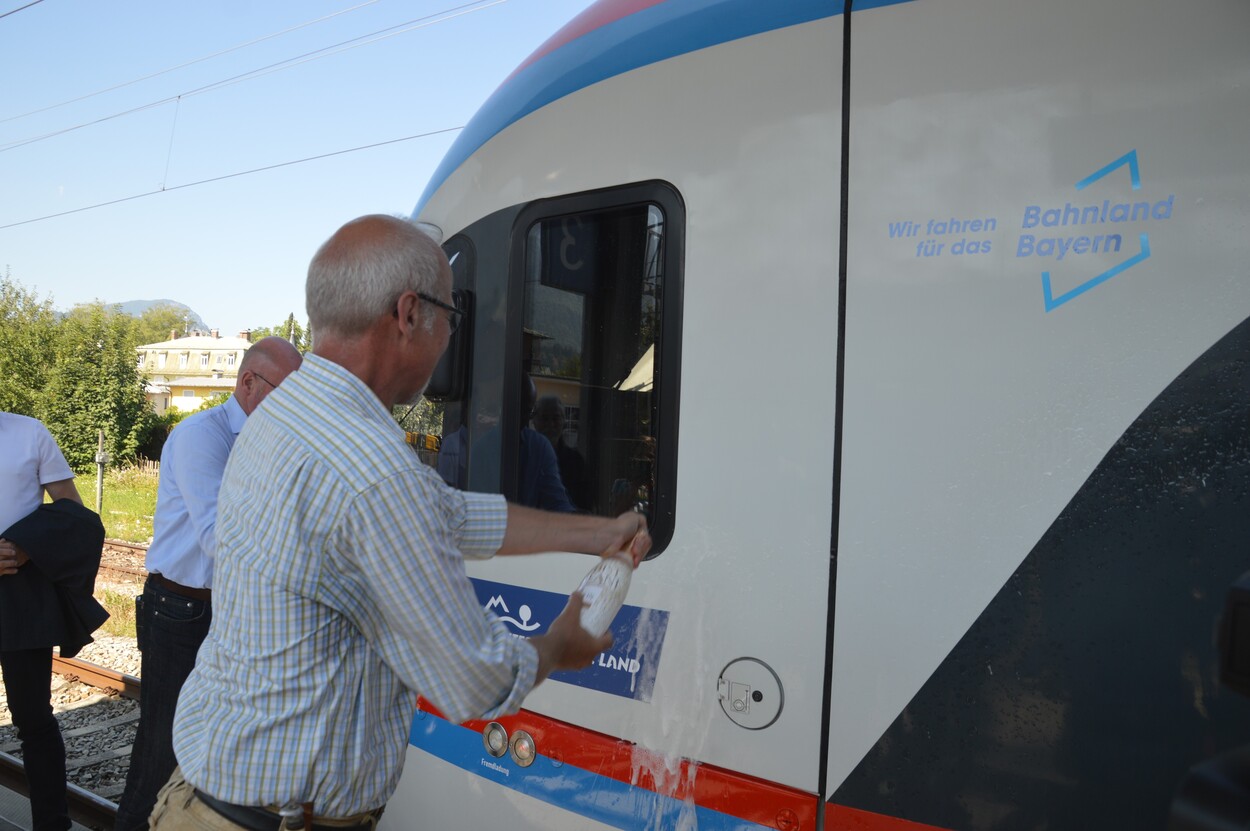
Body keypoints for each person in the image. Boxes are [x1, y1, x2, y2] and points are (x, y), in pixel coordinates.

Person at [152, 215, 650, 829]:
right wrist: (559, 645)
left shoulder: (283, 414)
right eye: (451, 318)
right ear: (409, 314)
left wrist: (594, 534)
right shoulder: (371, 469)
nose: (448, 339)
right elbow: (473, 680)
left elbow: (443, 511)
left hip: (205, 800)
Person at [114, 337, 302, 831]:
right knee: (161, 752)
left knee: (207, 751)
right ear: (248, 383)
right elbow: (224, 539)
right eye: (288, 394)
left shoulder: (267, 443)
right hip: (180, 609)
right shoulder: (204, 436)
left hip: (224, 611)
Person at [0, 412, 102, 831]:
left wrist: (26, 547)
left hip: (19, 595)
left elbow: (71, 510)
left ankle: (52, 825)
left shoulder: (29, 432)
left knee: (34, 720)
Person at [532, 394, 591, 511]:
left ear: (563, 421)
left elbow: (584, 505)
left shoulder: (576, 462)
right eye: (544, 418)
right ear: (534, 421)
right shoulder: (525, 457)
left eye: (555, 418)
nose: (550, 424)